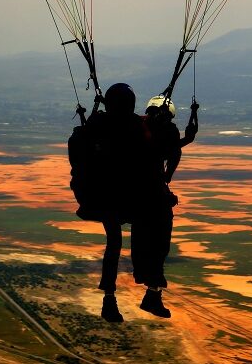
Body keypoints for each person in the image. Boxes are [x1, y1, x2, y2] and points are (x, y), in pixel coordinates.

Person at [79, 83, 154, 323]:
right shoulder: (136, 125)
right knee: (147, 235)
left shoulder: (98, 123)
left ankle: (109, 298)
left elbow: (84, 141)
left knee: (114, 244)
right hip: (129, 197)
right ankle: (151, 289)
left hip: (105, 197)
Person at [133, 95, 198, 318]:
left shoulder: (134, 129)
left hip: (134, 199)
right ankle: (152, 295)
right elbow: (172, 149)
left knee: (143, 242)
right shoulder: (158, 137)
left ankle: (150, 292)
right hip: (151, 198)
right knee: (159, 244)